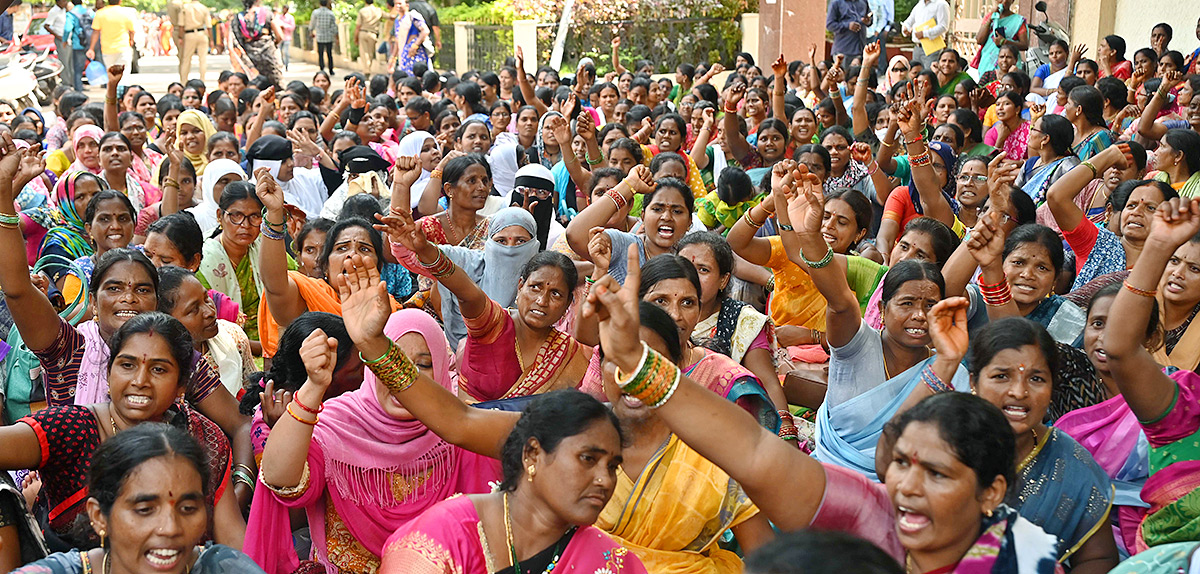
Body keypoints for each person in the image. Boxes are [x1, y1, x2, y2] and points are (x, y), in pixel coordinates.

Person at [584, 214, 1062, 574]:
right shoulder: (870, 513)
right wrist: (638, 365)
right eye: (900, 465)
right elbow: (752, 451)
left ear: (991, 492)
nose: (908, 489)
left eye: (937, 474)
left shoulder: (1027, 558)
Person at [246, 309, 499, 574]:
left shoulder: (462, 432)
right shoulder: (337, 423)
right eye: (392, 362)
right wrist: (314, 386)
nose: (401, 378)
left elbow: (490, 536)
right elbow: (280, 480)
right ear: (372, 366)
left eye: (422, 365)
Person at [13, 423, 264, 574]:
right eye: (145, 509)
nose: (171, 528)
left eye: (187, 508)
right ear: (99, 516)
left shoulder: (225, 568)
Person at [1105, 195, 1200, 551]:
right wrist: (1158, 245)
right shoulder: (1187, 412)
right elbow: (1120, 348)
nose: (1178, 273)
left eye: (1194, 268)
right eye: (1174, 263)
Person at [233, 0, 284, 88]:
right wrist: (274, 44)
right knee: (276, 86)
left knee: (254, 86)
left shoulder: (238, 18)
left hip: (250, 58)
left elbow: (237, 41)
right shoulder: (267, 14)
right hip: (269, 55)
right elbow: (280, 36)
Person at [974, 0, 1028, 77]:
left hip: (1009, 65)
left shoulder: (1018, 21)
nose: (1004, 1)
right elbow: (979, 40)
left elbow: (1024, 45)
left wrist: (1004, 42)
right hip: (988, 63)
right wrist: (990, 19)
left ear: (1012, 1)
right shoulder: (989, 17)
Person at [86, 0, 136, 69]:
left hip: (107, 50)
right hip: (123, 48)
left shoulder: (100, 13)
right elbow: (132, 30)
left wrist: (91, 48)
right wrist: (131, 40)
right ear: (120, 1)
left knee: (111, 74)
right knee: (123, 74)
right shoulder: (126, 13)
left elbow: (95, 32)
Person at [901, 0, 950, 66]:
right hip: (917, 47)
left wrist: (924, 34)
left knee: (929, 74)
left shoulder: (941, 4)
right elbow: (909, 21)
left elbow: (943, 26)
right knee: (916, 73)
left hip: (932, 47)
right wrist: (905, 28)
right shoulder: (920, 4)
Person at [171, 0, 209, 83]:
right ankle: (203, 80)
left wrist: (180, 37)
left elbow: (181, 25)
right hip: (202, 33)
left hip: (189, 34)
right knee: (203, 59)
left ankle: (183, 81)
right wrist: (211, 40)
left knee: (186, 59)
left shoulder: (185, 8)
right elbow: (209, 25)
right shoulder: (204, 8)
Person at [46, 0, 73, 95]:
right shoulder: (54, 11)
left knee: (70, 63)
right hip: (61, 40)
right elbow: (46, 25)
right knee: (64, 62)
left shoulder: (64, 10)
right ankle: (66, 84)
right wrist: (58, 36)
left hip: (68, 40)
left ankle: (71, 83)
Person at [356, 0, 383, 75]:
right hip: (373, 34)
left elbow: (358, 26)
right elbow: (390, 16)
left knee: (364, 53)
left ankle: (366, 71)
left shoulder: (362, 11)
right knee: (370, 54)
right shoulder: (378, 11)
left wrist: (355, 37)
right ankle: (368, 69)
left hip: (363, 32)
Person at [310, 0, 336, 76]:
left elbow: (312, 23)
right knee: (329, 54)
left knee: (320, 54)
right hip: (329, 36)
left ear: (319, 3)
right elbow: (334, 26)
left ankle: (322, 69)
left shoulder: (316, 12)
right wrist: (335, 36)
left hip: (320, 36)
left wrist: (311, 32)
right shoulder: (330, 13)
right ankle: (331, 70)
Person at [277, 4, 293, 70]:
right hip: (280, 37)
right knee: (279, 52)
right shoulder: (279, 17)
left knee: (286, 52)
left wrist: (285, 26)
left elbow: (292, 27)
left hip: (287, 37)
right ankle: (282, 64)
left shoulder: (290, 17)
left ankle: (287, 65)